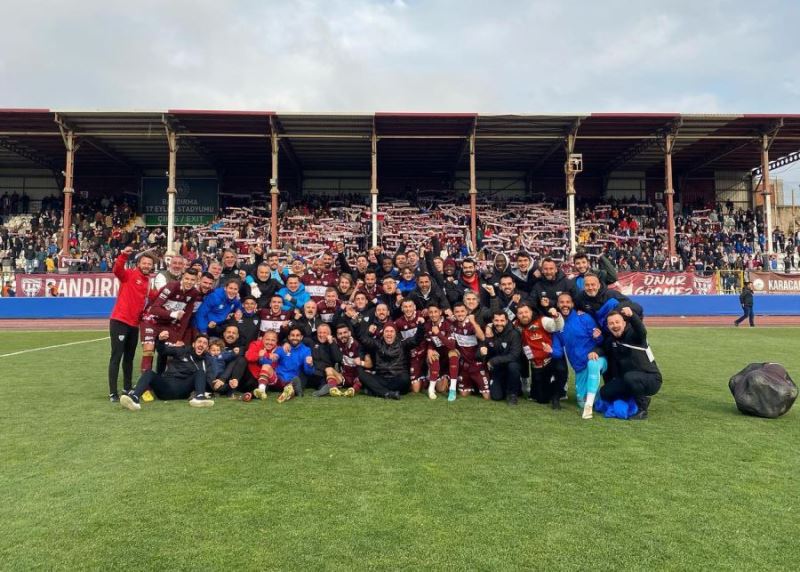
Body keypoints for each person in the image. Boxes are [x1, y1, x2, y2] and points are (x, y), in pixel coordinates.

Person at [119, 331, 215, 411]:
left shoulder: (207, 360)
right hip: (166, 387)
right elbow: (163, 351)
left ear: (207, 348)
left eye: (205, 343)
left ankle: (199, 398)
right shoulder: (182, 350)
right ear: (194, 344)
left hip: (183, 390)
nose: (201, 344)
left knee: (200, 372)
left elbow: (209, 379)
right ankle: (135, 398)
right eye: (199, 342)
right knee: (149, 373)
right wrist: (160, 340)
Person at [108, 246, 156, 402]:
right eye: (144, 263)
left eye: (149, 264)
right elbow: (117, 270)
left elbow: (156, 296)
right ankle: (112, 393)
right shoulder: (129, 274)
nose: (147, 266)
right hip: (120, 321)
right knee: (117, 356)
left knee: (129, 358)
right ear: (138, 264)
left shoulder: (148, 282)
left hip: (134, 325)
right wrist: (123, 255)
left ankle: (127, 388)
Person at [596, 308, 662, 420]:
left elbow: (642, 331)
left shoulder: (634, 336)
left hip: (651, 379)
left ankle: (642, 409)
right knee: (604, 392)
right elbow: (602, 348)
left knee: (630, 377)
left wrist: (632, 316)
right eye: (611, 323)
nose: (615, 325)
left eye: (617, 322)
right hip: (629, 380)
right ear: (608, 326)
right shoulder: (611, 341)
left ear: (624, 323)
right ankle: (630, 399)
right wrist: (595, 351)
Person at [551, 292, 607, 420]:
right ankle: (598, 399)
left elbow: (600, 340)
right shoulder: (557, 326)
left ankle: (590, 404)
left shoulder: (584, 318)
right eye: (562, 302)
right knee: (581, 401)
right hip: (579, 368)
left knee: (592, 363)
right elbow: (558, 351)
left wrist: (598, 337)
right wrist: (550, 350)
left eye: (567, 302)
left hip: (598, 359)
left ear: (572, 304)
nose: (565, 305)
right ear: (558, 305)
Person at [139, 268, 201, 373]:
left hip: (168, 323)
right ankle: (145, 385)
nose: (189, 282)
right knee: (149, 350)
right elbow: (154, 309)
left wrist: (179, 338)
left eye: (192, 280)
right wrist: (173, 314)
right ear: (182, 277)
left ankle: (164, 380)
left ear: (196, 281)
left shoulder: (194, 293)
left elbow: (185, 317)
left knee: (171, 352)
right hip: (151, 319)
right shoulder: (172, 286)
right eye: (187, 278)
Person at [355, 321, 424, 400]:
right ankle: (387, 393)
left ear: (395, 333)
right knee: (361, 374)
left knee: (405, 379)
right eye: (386, 331)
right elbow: (362, 339)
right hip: (382, 378)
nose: (389, 334)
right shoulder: (377, 344)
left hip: (398, 379)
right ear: (383, 333)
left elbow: (417, 339)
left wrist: (420, 326)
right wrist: (355, 323)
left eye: (391, 331)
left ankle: (375, 391)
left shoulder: (402, 344)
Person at [481, 311, 523, 404]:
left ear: (507, 321)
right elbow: (484, 346)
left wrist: (493, 361)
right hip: (497, 368)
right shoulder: (489, 331)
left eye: (502, 320)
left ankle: (513, 394)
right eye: (496, 320)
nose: (499, 323)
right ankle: (508, 386)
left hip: (509, 364)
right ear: (492, 321)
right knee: (496, 396)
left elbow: (514, 355)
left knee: (513, 366)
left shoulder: (514, 333)